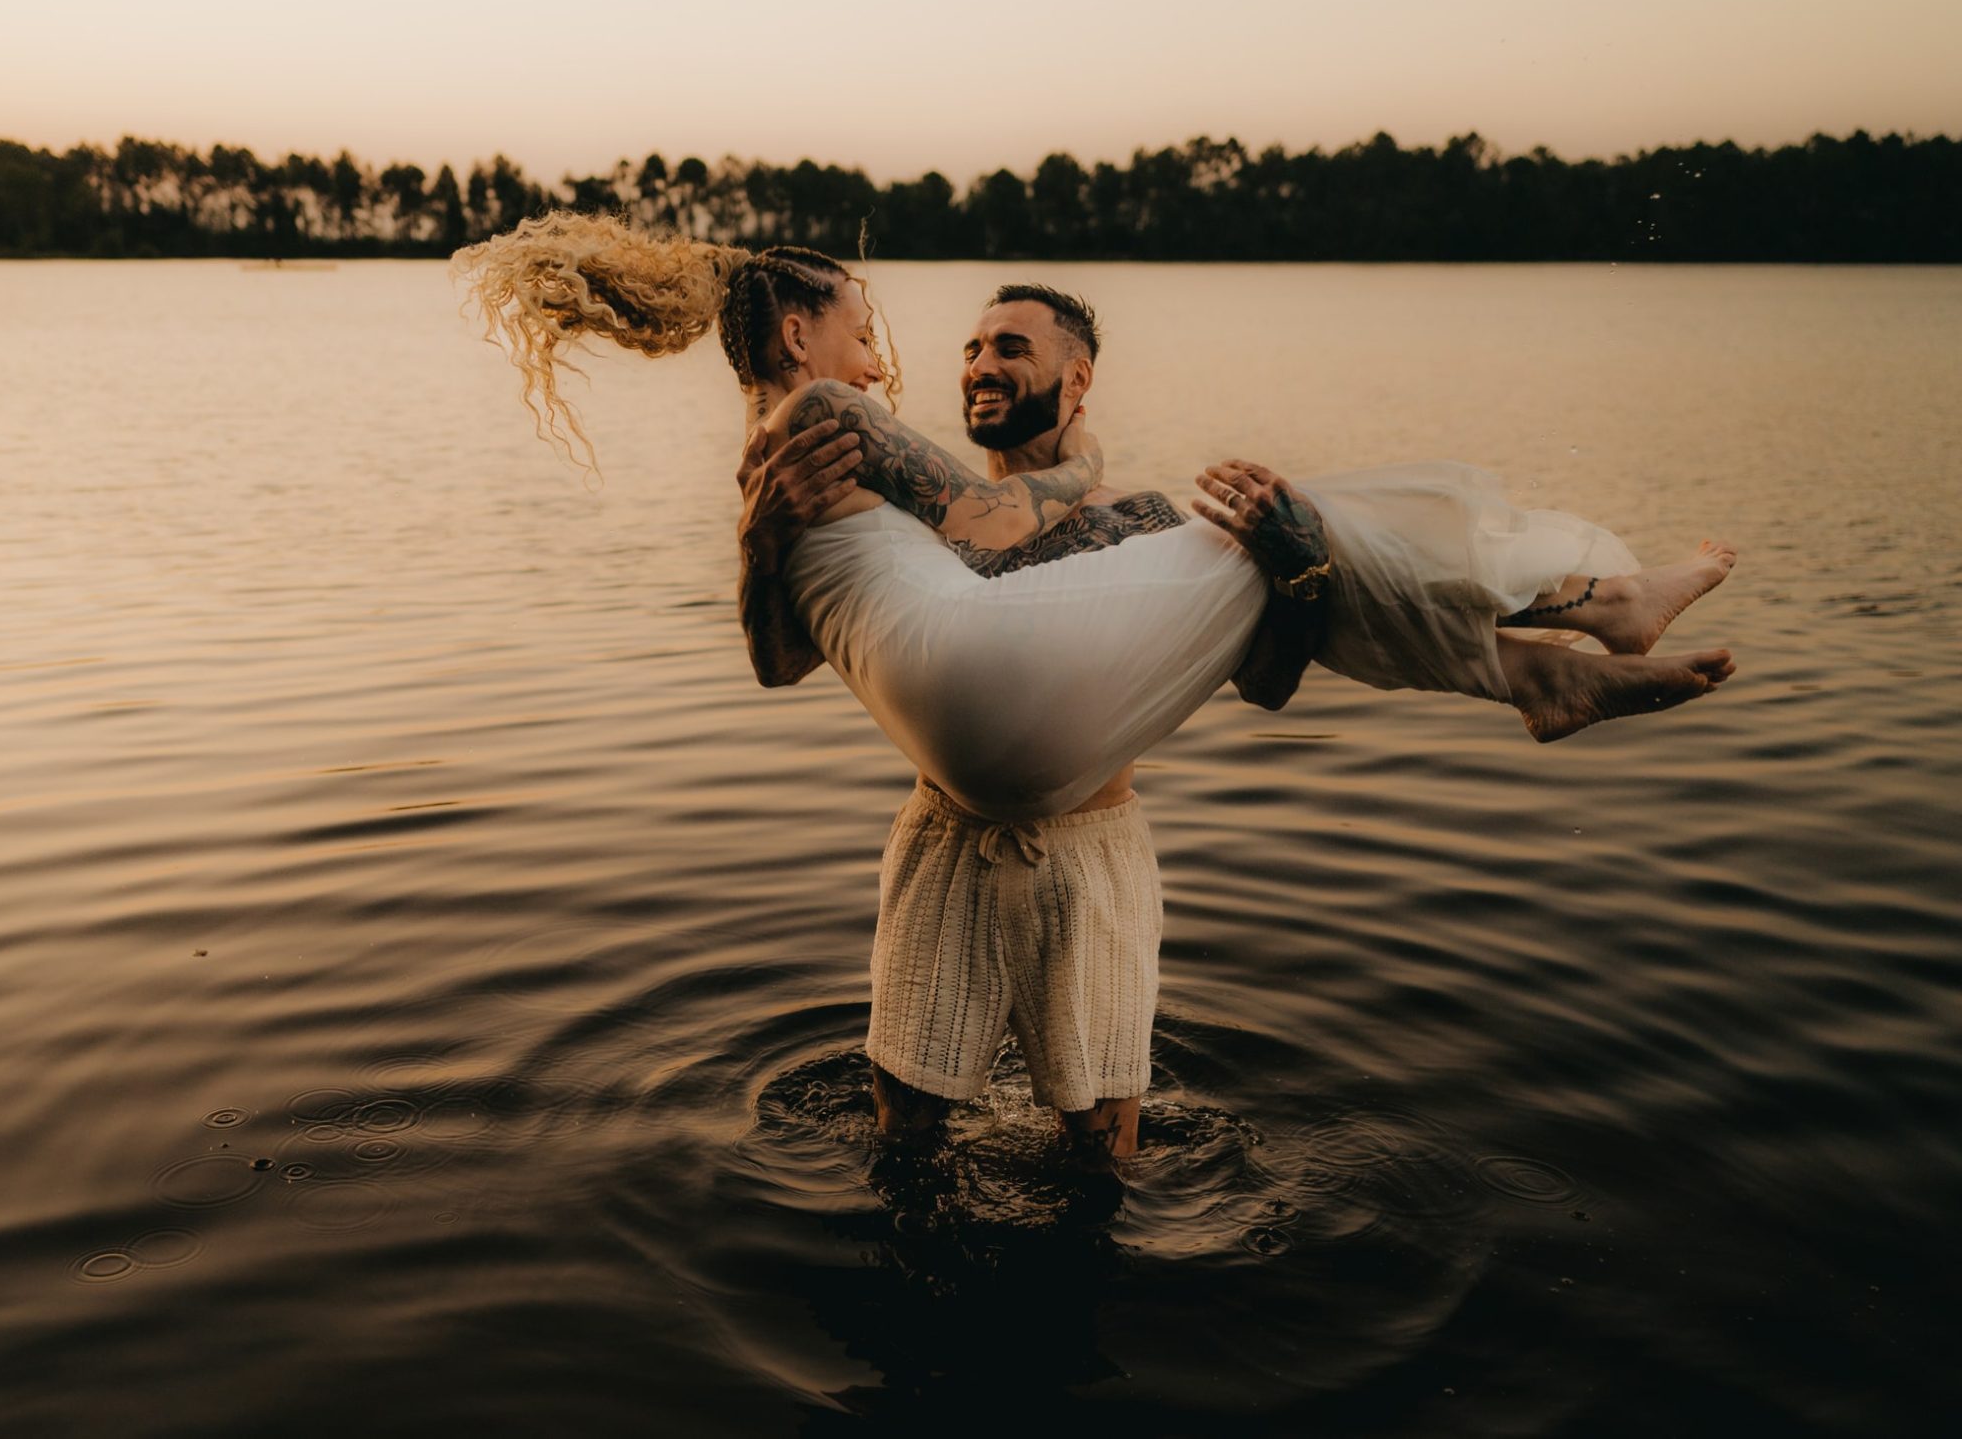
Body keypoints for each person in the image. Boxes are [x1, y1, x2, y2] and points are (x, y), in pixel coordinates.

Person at [451, 212, 1738, 1154]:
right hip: (960, 805)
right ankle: (1558, 640)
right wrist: (764, 534)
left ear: (1073, 374)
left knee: (1278, 533)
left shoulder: (934, 481)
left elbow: (1269, 674)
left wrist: (1279, 571)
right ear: (802, 331)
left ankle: (1544, 657)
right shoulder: (864, 455)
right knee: (1277, 517)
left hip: (1079, 817)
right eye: (894, 330)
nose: (936, 358)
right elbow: (871, 597)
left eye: (1005, 346)